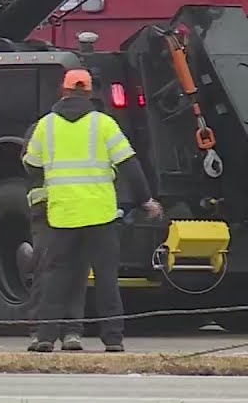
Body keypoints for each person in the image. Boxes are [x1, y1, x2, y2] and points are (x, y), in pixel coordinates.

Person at [23, 68, 162, 353]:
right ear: (89, 92)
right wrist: (146, 200)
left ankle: (46, 337)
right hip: (100, 215)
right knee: (106, 278)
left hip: (62, 215)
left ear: (62, 91)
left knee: (55, 277)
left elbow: (31, 165)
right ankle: (113, 339)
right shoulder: (104, 124)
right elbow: (129, 165)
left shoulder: (46, 126)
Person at [22, 119, 86, 352]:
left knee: (48, 268)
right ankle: (66, 332)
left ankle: (46, 332)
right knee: (70, 268)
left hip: (54, 207)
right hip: (63, 207)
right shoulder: (95, 126)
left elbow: (29, 163)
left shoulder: (42, 127)